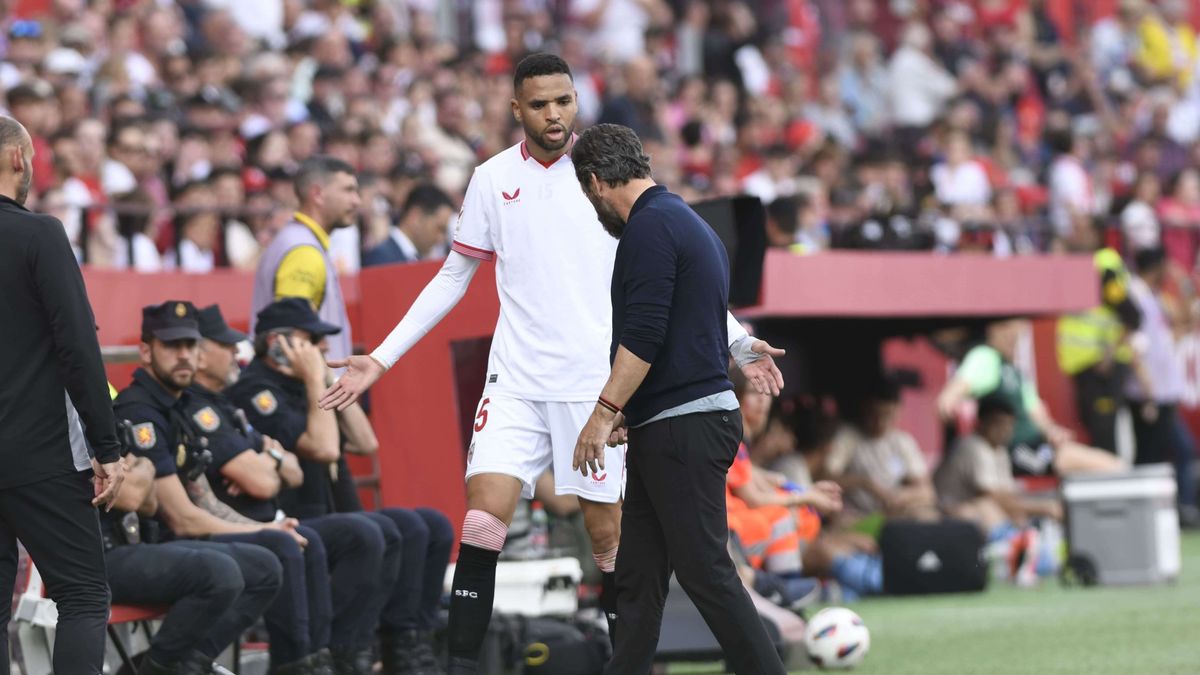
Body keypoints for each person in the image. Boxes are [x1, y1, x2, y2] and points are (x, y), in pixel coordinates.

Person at [318, 54, 785, 673]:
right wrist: (381, 357)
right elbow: (454, 276)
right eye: (540, 104)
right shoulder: (491, 179)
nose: (555, 114)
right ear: (518, 109)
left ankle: (634, 662)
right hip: (515, 379)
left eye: (563, 101)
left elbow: (669, 282)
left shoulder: (604, 179)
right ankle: (460, 667)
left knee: (613, 543)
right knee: (482, 520)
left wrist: (737, 341)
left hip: (597, 389)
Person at [567, 123, 786, 674]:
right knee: (639, 579)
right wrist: (633, 412)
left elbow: (643, 337)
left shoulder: (648, 230)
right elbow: (690, 320)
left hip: (682, 428)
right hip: (668, 424)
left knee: (706, 571)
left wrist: (603, 414)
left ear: (594, 183)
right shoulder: (684, 221)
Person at [229, 299, 452, 675]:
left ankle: (406, 644)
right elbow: (326, 447)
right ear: (275, 343)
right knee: (369, 532)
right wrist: (316, 378)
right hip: (291, 519)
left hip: (330, 516)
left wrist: (331, 381)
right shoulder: (257, 390)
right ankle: (348, 651)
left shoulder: (307, 383)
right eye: (312, 339)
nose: (324, 348)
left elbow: (367, 444)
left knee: (429, 526)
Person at [0, 114, 125, 675]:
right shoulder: (39, 233)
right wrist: (109, 445)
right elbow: (78, 345)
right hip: (40, 451)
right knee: (82, 595)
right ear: (19, 160)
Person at [112, 301, 292, 674]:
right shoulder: (140, 409)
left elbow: (201, 501)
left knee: (267, 564)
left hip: (155, 545)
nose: (184, 356)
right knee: (224, 572)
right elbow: (177, 516)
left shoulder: (178, 405)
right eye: (171, 346)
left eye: (190, 345)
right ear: (146, 351)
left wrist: (266, 529)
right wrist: (262, 528)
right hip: (121, 549)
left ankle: (187, 663)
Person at [184, 304, 342, 674]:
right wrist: (271, 457)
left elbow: (297, 471)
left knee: (405, 527)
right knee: (288, 545)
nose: (235, 353)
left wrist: (327, 380)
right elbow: (283, 470)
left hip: (273, 518)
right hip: (225, 529)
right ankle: (293, 665)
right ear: (201, 353)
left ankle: (329, 659)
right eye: (226, 345)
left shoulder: (223, 403)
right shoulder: (232, 395)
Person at [938, 319, 1125, 477]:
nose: (1015, 336)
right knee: (1106, 466)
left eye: (1018, 332)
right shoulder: (986, 358)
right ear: (994, 330)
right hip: (1015, 450)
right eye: (1010, 329)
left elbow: (1037, 413)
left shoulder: (1013, 371)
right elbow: (949, 397)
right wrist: (950, 408)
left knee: (1108, 464)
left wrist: (1053, 431)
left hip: (1034, 445)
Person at [935, 395, 1063, 535]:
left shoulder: (1000, 450)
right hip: (947, 513)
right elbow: (992, 496)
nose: (1005, 430)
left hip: (975, 512)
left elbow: (1007, 494)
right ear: (982, 422)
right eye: (999, 424)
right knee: (987, 509)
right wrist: (1042, 508)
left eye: (1009, 425)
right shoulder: (972, 446)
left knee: (1015, 515)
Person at [361, 183, 454, 267]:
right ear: (416, 218)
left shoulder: (412, 258)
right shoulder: (382, 258)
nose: (441, 238)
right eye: (439, 228)